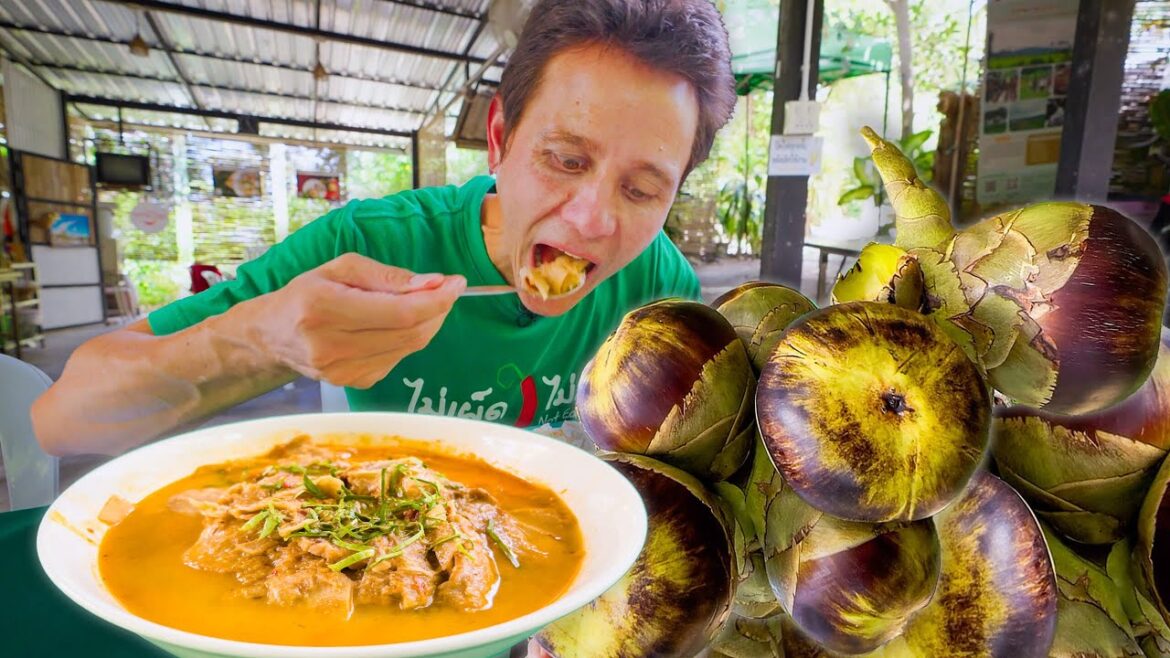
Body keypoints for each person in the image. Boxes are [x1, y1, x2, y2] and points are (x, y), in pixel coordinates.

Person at [32, 0, 737, 457]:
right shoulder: (365, 248)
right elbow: (64, 418)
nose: (592, 219)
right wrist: (263, 339)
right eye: (564, 159)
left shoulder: (659, 286)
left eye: (643, 189)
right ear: (499, 138)